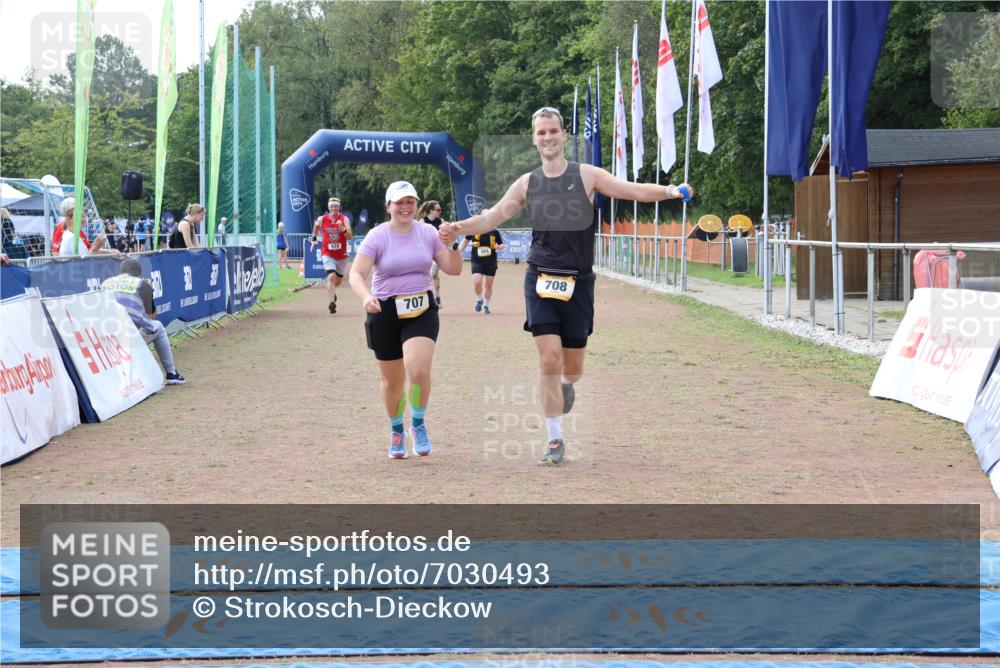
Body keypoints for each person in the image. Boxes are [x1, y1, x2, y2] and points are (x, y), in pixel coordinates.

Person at [439, 106, 694, 465]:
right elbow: (492, 216)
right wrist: (457, 227)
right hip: (540, 277)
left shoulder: (587, 176)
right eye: (541, 132)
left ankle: (567, 385)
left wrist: (669, 190)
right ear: (534, 138)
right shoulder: (527, 183)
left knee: (572, 368)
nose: (547, 137)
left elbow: (632, 191)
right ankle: (555, 439)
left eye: (553, 131)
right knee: (549, 359)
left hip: (579, 282)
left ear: (563, 136)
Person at [349, 181, 462, 459]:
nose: (405, 207)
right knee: (392, 382)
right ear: (388, 206)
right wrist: (365, 297)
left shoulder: (428, 233)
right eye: (399, 202)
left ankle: (419, 424)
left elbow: (452, 269)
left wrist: (455, 246)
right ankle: (397, 430)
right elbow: (356, 274)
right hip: (383, 311)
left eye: (410, 201)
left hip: (421, 308)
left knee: (419, 369)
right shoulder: (377, 236)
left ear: (416, 205)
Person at [100, 257, 186, 385]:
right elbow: (150, 314)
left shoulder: (106, 283)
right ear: (138, 274)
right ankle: (171, 373)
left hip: (106, 336)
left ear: (120, 272)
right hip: (128, 336)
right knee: (158, 328)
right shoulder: (141, 283)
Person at [311, 197, 352, 313]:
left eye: (336, 206)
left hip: (341, 255)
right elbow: (316, 227)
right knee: (331, 277)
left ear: (339, 207)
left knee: (338, 281)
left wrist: (342, 228)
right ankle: (332, 303)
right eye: (332, 206)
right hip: (327, 253)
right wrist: (314, 239)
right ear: (328, 207)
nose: (334, 208)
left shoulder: (344, 219)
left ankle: (333, 291)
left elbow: (350, 236)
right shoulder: (322, 219)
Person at [459, 229, 505, 314]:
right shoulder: (474, 228)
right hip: (477, 261)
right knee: (477, 281)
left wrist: (499, 247)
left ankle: (486, 306)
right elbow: (465, 241)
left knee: (488, 285)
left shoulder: (494, 231)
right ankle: (479, 299)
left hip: (491, 261)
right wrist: (457, 252)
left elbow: (501, 245)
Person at [416, 200, 447, 307]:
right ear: (431, 211)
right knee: (425, 275)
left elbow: (446, 235)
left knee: (433, 274)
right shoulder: (422, 221)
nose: (440, 211)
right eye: (438, 210)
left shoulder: (441, 221)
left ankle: (437, 296)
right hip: (425, 252)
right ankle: (426, 297)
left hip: (437, 252)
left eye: (440, 209)